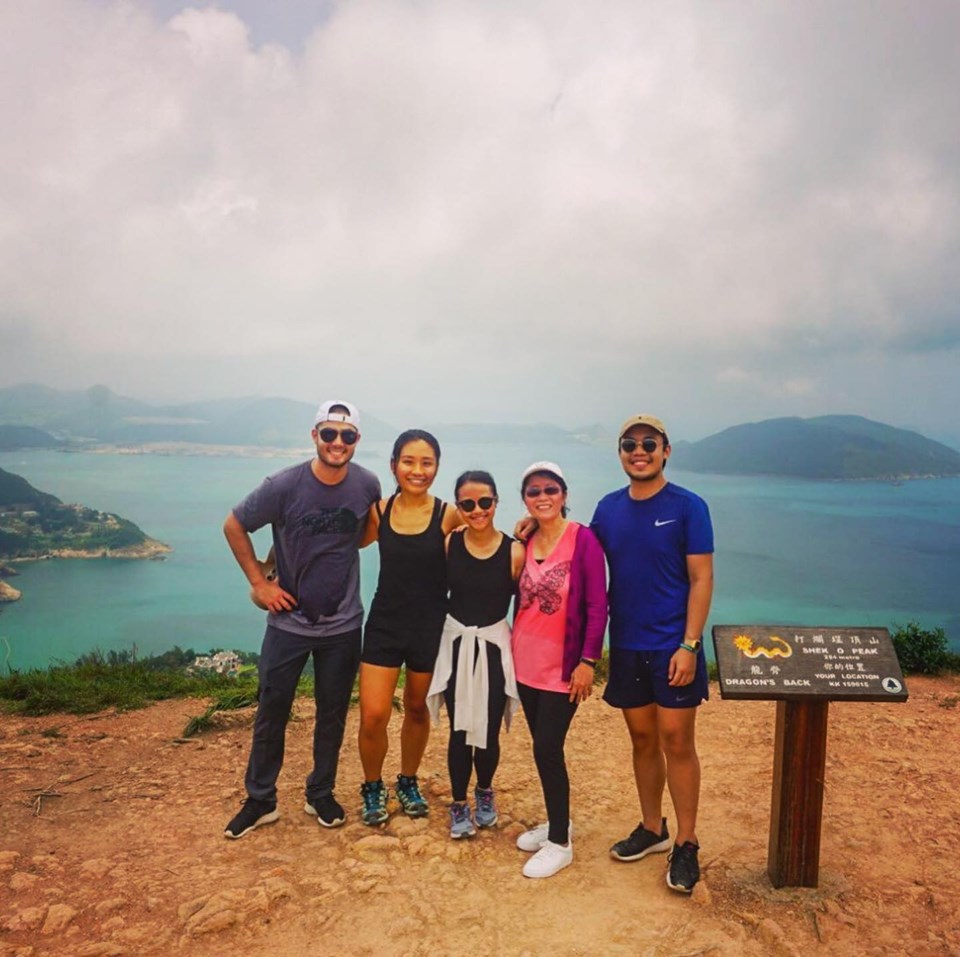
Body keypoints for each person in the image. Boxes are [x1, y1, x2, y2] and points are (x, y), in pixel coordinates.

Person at [223, 401, 381, 839]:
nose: (337, 443)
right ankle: (260, 800)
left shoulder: (367, 484)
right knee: (272, 711)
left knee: (333, 713)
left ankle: (320, 792)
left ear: (357, 440)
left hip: (343, 624)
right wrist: (260, 584)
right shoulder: (283, 485)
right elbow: (234, 525)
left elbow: (364, 534)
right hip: (288, 623)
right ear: (315, 435)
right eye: (328, 434)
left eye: (346, 436)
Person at [590, 414, 714, 894]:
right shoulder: (608, 508)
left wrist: (689, 644)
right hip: (626, 643)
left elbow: (701, 578)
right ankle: (652, 827)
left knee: (677, 741)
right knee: (642, 738)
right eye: (629, 444)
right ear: (620, 452)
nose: (638, 451)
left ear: (666, 450)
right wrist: (532, 528)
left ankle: (687, 841)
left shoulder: (688, 506)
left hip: (672, 646)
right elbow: (580, 554)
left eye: (648, 443)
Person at [357, 430, 460, 825]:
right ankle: (372, 787)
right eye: (409, 461)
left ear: (437, 467)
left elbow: (485, 542)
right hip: (385, 623)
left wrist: (528, 528)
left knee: (417, 708)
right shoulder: (379, 513)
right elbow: (339, 544)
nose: (418, 470)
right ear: (393, 465)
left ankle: (407, 780)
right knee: (373, 714)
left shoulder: (448, 514)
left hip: (430, 626)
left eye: (426, 462)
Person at [512, 461, 607, 878]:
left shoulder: (583, 540)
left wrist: (588, 662)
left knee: (547, 749)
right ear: (525, 499)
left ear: (564, 494)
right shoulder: (526, 539)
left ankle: (560, 845)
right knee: (542, 745)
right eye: (533, 491)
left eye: (550, 489)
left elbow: (598, 606)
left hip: (562, 668)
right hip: (524, 663)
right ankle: (558, 821)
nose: (543, 496)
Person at [426, 471, 525, 839]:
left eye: (485, 502)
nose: (477, 510)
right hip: (456, 644)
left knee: (488, 728)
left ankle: (484, 790)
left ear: (496, 502)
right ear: (459, 506)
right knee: (459, 729)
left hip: (494, 646)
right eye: (468, 504)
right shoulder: (450, 543)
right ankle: (458, 802)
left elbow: (526, 605)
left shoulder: (514, 551)